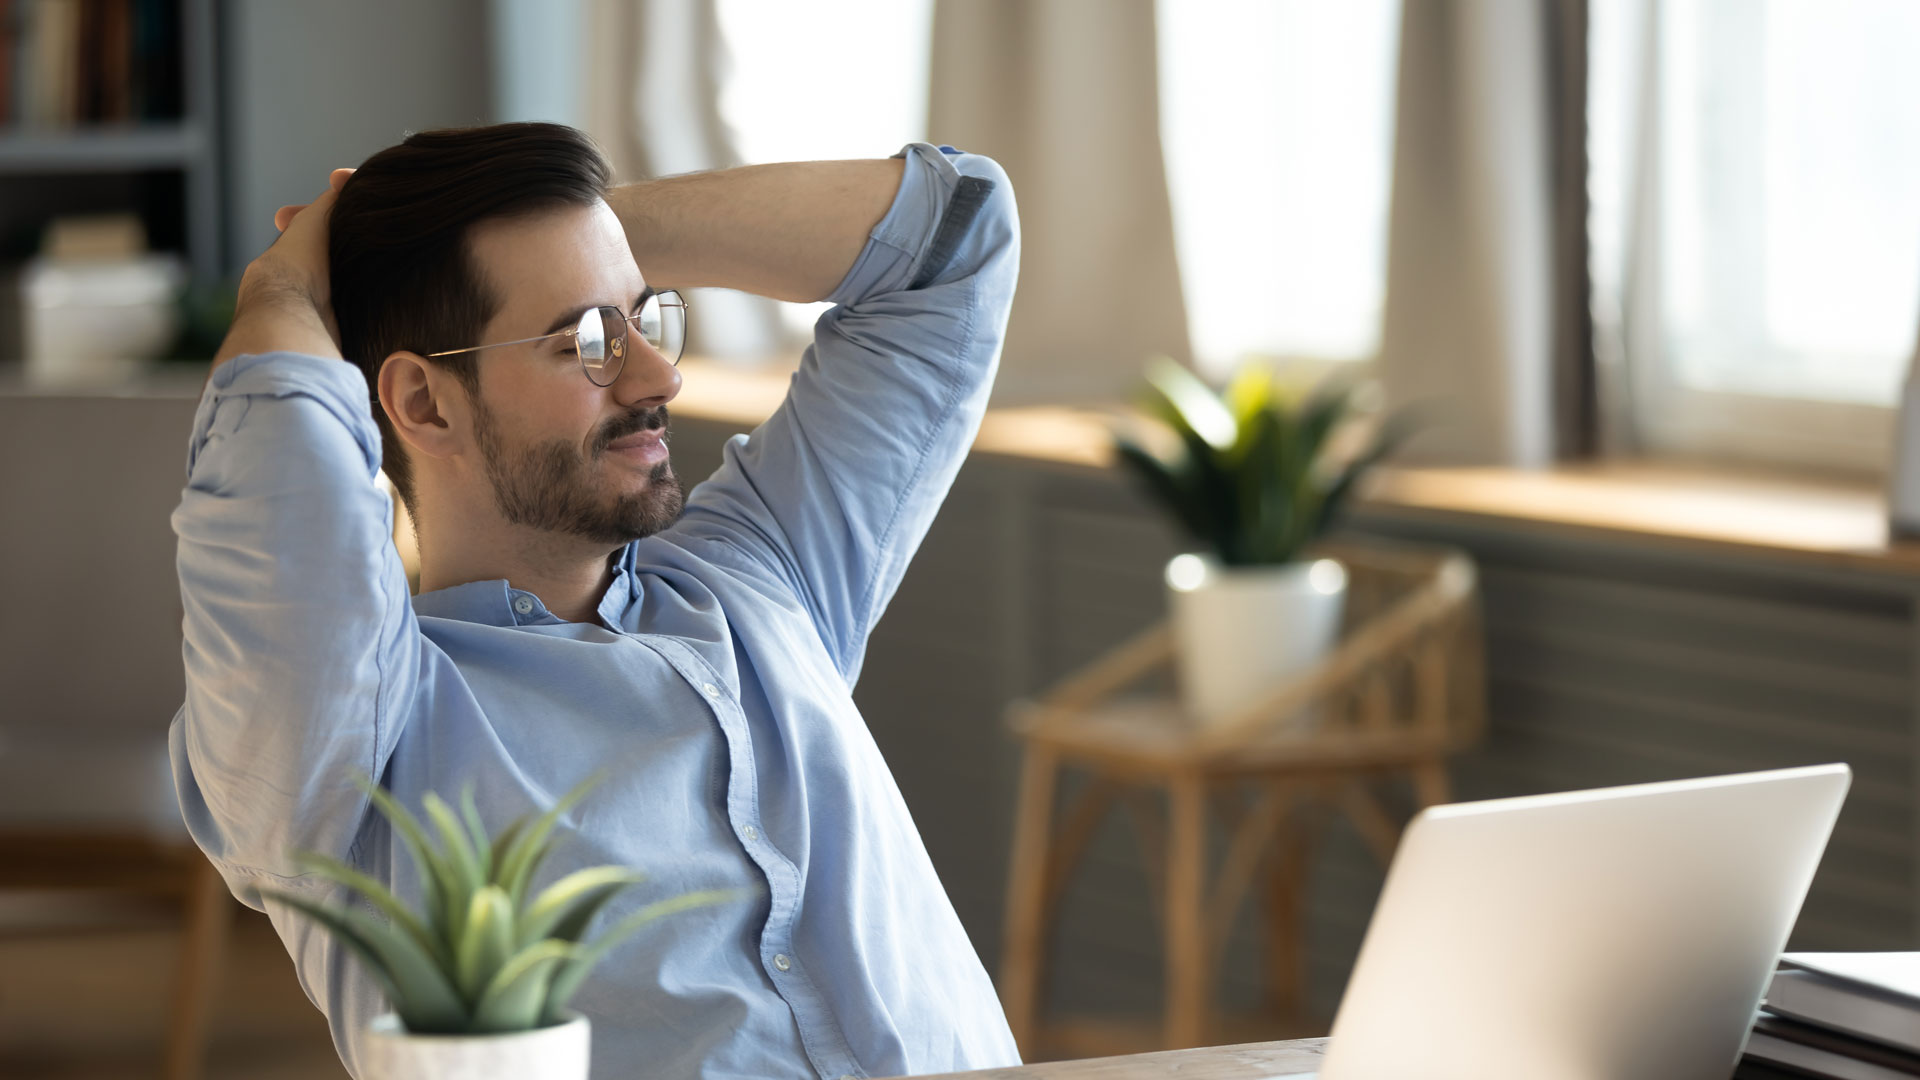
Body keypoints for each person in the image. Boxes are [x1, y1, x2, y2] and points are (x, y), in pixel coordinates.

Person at [168, 121, 1021, 1080]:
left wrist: (584, 234)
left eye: (644, 318)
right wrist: (282, 287)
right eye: (585, 342)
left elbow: (954, 236)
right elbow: (284, 504)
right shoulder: (354, 748)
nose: (661, 377)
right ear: (424, 406)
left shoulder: (760, 575)